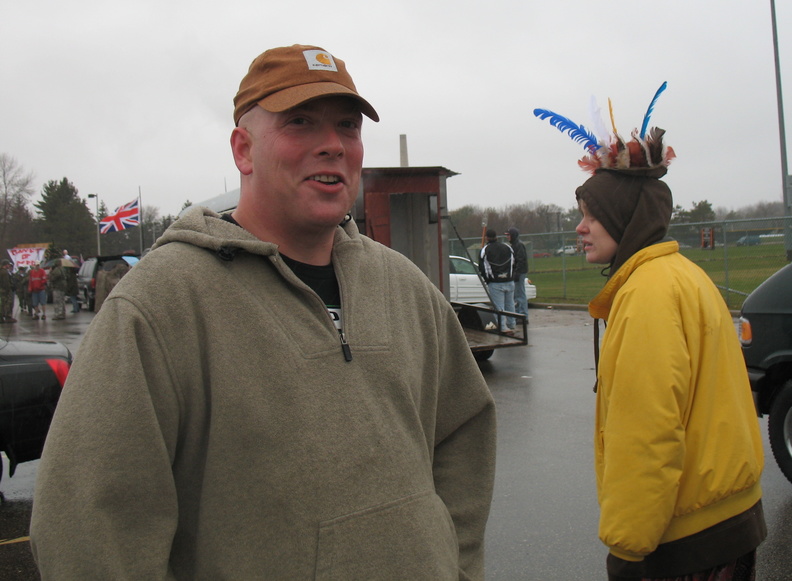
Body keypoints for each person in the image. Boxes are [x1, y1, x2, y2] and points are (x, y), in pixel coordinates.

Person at [31, 44, 496, 580]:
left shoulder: (405, 286)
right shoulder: (159, 305)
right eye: (300, 122)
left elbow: (464, 429)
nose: (333, 146)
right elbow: (90, 529)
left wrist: (453, 563)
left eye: (347, 126)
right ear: (243, 149)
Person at [537, 100, 766, 580]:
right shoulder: (683, 273)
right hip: (729, 515)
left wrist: (627, 549)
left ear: (623, 218)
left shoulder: (647, 294)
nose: (579, 227)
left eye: (591, 215)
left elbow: (648, 434)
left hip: (691, 536)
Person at [479, 228, 515, 333]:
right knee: (510, 304)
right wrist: (511, 276)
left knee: (499, 306)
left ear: (486, 238)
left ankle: (502, 327)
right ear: (496, 237)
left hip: (495, 282)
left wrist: (488, 279)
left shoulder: (485, 250)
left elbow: (482, 267)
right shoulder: (507, 247)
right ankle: (512, 324)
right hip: (509, 280)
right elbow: (513, 263)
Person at [505, 227, 529, 318]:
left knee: (520, 294)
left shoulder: (519, 245)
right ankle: (519, 313)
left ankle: (523, 315)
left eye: (508, 235)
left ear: (513, 235)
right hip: (516, 272)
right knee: (516, 295)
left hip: (520, 272)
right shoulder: (513, 245)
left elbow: (521, 260)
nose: (507, 237)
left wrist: (517, 273)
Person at [0, 259, 17, 323]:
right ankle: (8, 317)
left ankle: (2, 317)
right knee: (7, 304)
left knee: (3, 304)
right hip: (5, 291)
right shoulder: (4, 272)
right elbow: (6, 283)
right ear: (5, 265)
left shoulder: (1, 271)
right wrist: (10, 287)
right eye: (8, 264)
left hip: (2, 290)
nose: (8, 266)